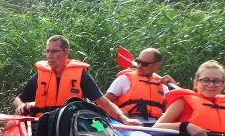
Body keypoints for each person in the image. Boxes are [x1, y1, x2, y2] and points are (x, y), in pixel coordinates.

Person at [12, 35, 141, 126]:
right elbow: (17, 100)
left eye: (55, 51)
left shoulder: (81, 76)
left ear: (66, 52)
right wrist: (21, 106)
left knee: (98, 129)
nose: (50, 55)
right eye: (47, 51)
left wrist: (123, 118)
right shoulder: (40, 76)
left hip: (71, 125)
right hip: (42, 123)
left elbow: (104, 103)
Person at [105, 48, 177, 124]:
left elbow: (173, 110)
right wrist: (118, 111)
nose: (139, 66)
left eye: (144, 64)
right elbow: (103, 103)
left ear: (156, 65)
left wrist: (174, 89)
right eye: (138, 62)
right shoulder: (124, 79)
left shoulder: (162, 85)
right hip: (128, 122)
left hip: (156, 126)